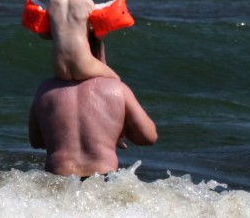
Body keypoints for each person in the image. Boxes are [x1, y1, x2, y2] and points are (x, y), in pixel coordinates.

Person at [28, 75, 157, 177]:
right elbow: (148, 137)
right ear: (99, 53)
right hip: (103, 179)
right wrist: (114, 131)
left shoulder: (45, 89)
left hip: (58, 180)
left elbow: (36, 141)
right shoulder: (117, 88)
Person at [42, 0, 121, 82]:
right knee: (115, 79)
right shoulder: (88, 4)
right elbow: (99, 35)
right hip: (83, 64)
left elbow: (44, 34)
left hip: (60, 67)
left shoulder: (52, 2)